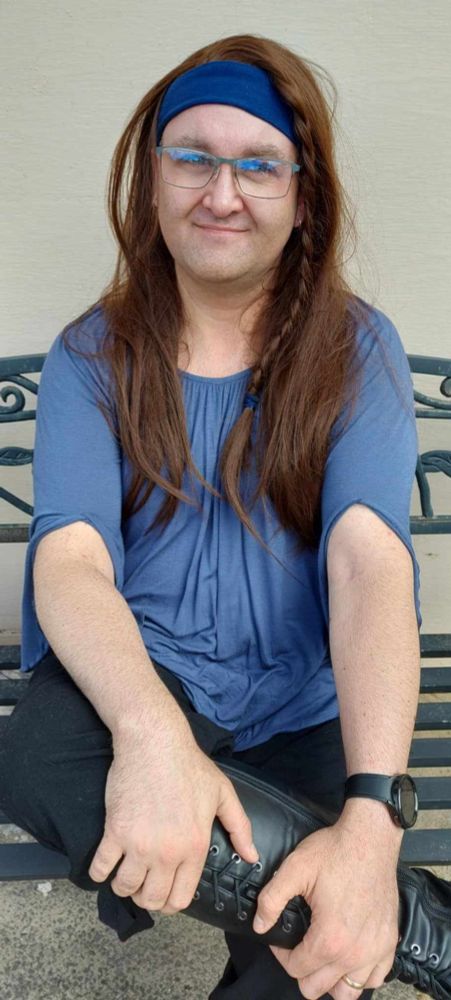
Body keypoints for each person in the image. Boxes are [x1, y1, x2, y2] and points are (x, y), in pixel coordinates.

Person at [0, 33, 422, 1000]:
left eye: (257, 165)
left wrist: (369, 819)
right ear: (151, 183)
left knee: (306, 956)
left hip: (301, 698)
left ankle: (352, 890)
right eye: (190, 157)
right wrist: (154, 737)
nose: (220, 192)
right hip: (149, 672)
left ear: (302, 194)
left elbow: (368, 565)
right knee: (34, 759)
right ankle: (387, 907)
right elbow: (68, 559)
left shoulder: (357, 348)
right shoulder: (93, 352)